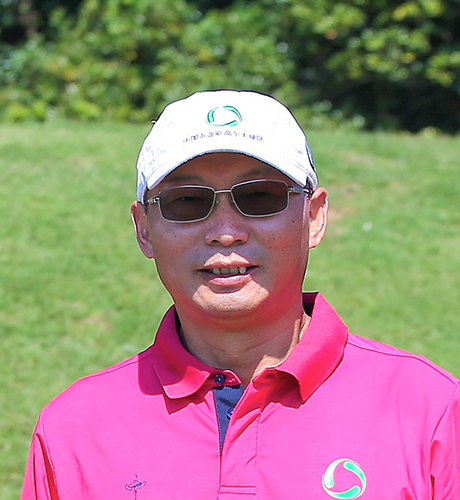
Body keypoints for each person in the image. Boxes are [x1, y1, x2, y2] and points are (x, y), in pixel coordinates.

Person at [21, 90, 459, 500]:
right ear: (144, 229)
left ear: (314, 217)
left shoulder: (432, 412)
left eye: (260, 197)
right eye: (187, 202)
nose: (225, 232)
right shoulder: (73, 430)